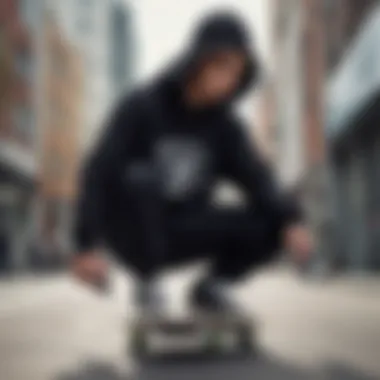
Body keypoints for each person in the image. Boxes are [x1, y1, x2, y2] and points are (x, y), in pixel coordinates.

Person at [72, 12, 313, 314]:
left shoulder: (225, 127)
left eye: (237, 71)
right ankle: (147, 283)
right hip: (135, 230)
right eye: (223, 66)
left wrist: (292, 220)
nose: (230, 80)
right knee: (141, 178)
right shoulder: (142, 106)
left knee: (271, 222)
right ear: (199, 60)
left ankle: (211, 289)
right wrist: (85, 245)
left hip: (186, 226)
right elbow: (98, 171)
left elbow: (258, 177)